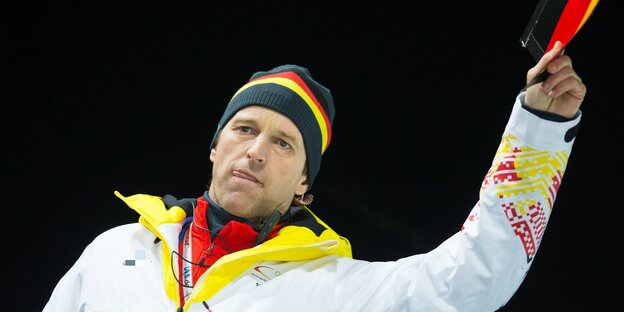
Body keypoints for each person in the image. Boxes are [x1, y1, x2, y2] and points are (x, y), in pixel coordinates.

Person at [43, 40, 586, 312]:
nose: (255, 152)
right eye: (243, 129)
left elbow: (479, 275)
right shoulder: (116, 250)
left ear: (305, 182)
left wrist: (537, 130)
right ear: (214, 148)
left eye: (283, 144)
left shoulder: (334, 292)